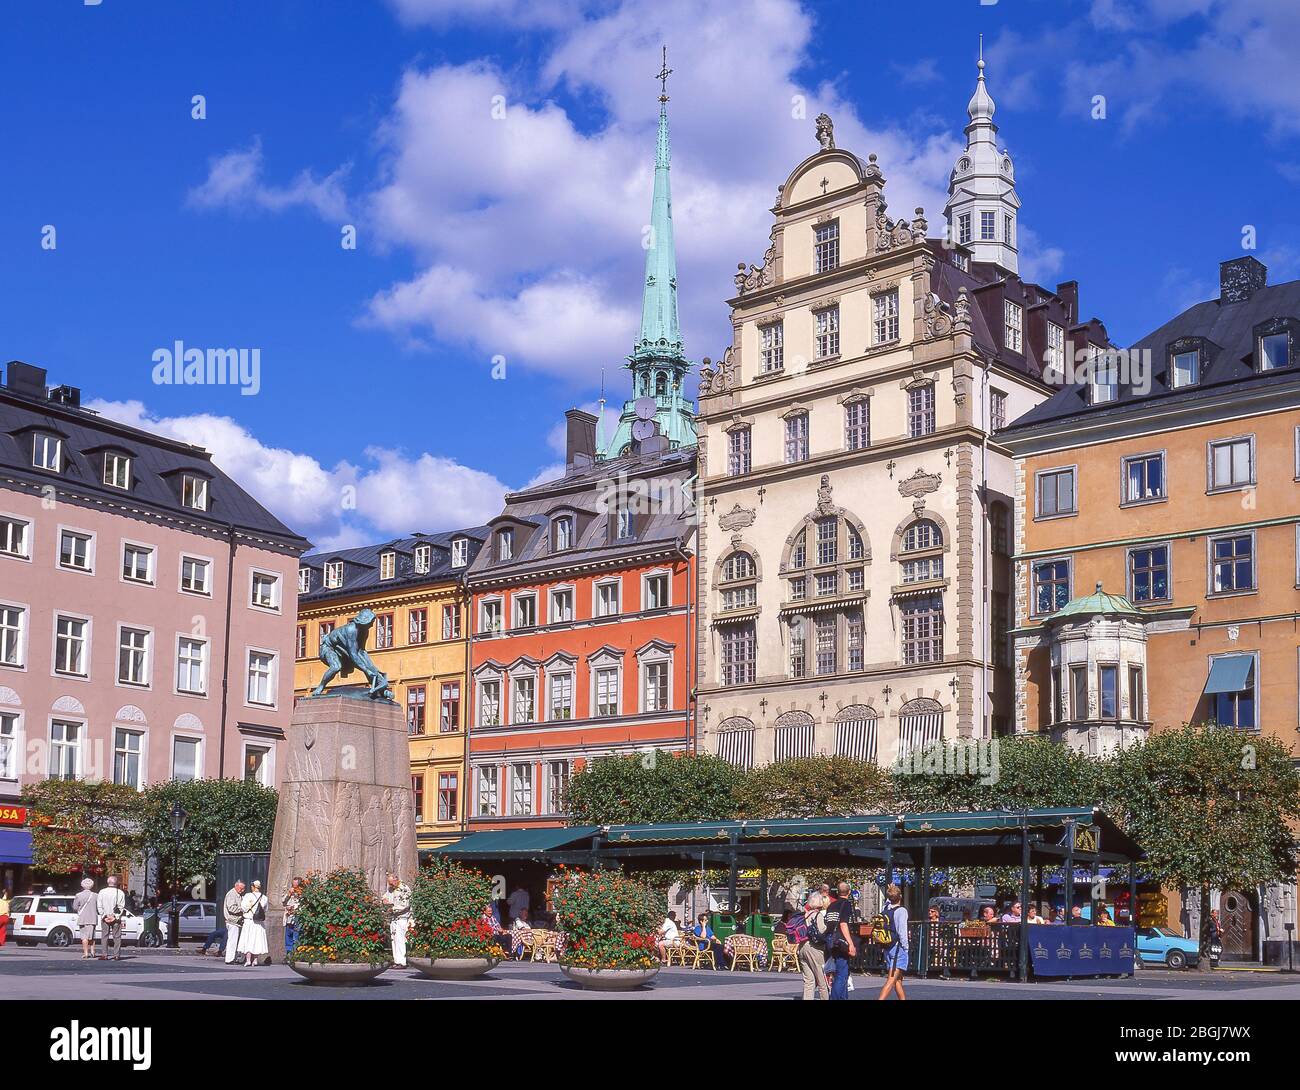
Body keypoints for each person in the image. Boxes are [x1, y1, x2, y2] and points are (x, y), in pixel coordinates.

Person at [822, 882, 857, 1000]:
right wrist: (851, 944)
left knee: (842, 972)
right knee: (842, 974)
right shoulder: (846, 904)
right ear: (849, 892)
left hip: (830, 940)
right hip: (841, 940)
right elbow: (843, 924)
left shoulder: (831, 905)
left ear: (837, 892)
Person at [876, 883, 908, 1001]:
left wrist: (890, 889)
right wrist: (906, 948)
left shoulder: (885, 909)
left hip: (887, 947)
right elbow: (902, 932)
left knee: (897, 980)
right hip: (898, 947)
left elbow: (888, 902)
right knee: (891, 979)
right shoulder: (901, 911)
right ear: (900, 897)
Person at [798, 894, 828, 1000]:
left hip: (802, 947)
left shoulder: (805, 915)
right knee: (822, 981)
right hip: (814, 948)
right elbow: (822, 930)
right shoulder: (817, 915)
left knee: (808, 981)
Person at [238, 880, 269, 967]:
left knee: (248, 940)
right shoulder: (264, 898)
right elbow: (265, 910)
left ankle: (248, 960)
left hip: (249, 921)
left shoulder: (248, 896)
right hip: (259, 923)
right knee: (257, 941)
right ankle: (255, 960)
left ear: (252, 887)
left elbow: (243, 907)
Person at [384, 873, 412, 968]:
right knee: (394, 940)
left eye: (391, 883)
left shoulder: (404, 888)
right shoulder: (391, 889)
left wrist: (393, 908)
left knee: (400, 940)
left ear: (396, 880)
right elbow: (386, 896)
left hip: (402, 918)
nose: (390, 886)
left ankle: (402, 962)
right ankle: (396, 961)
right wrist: (384, 900)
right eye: (389, 884)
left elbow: (405, 904)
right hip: (393, 918)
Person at [96, 876, 126, 960]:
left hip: (105, 917)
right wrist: (115, 917)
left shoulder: (102, 892)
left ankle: (104, 954)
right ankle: (116, 955)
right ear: (116, 883)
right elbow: (121, 907)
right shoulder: (120, 892)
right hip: (115, 918)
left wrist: (104, 916)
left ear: (107, 882)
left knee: (104, 936)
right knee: (117, 937)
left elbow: (99, 905)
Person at [73, 878, 98, 959]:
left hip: (83, 918)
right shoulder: (95, 895)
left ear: (82, 885)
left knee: (84, 937)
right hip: (93, 918)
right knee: (92, 936)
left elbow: (75, 907)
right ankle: (93, 951)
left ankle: (86, 953)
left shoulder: (78, 895)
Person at [223, 880, 245, 964]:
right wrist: (242, 909)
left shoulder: (238, 894)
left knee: (234, 940)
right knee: (232, 940)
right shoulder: (231, 894)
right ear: (236, 886)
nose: (242, 890)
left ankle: (233, 958)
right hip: (232, 921)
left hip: (235, 921)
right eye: (241, 888)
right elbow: (231, 908)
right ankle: (229, 959)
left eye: (243, 889)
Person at [282, 877, 304, 955]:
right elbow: (283, 901)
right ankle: (289, 954)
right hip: (288, 918)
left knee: (296, 937)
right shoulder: (290, 892)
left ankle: (295, 955)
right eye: (293, 884)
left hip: (297, 917)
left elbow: (303, 905)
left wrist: (294, 908)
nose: (293, 886)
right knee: (288, 936)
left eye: (295, 885)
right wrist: (289, 894)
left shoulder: (302, 893)